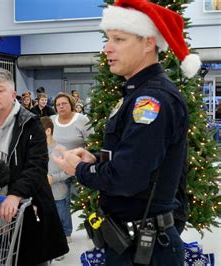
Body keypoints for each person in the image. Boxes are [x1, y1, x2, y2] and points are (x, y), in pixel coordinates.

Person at [52, 0, 200, 265]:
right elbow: (141, 158)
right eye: (108, 39)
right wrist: (97, 159)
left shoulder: (152, 100)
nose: (107, 48)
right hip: (131, 242)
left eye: (119, 39)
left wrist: (80, 171)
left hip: (146, 249)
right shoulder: (136, 94)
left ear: (148, 43)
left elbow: (128, 178)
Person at [0, 68, 68, 265]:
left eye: (0, 90)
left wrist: (15, 194)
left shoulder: (30, 124)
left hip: (26, 212)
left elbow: (36, 166)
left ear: (13, 95)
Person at [50, 93, 94, 242]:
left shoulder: (82, 120)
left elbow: (92, 142)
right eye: (58, 105)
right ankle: (66, 232)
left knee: (87, 201)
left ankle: (93, 230)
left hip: (79, 168)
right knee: (62, 202)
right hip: (58, 170)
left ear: (71, 104)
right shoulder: (52, 120)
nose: (61, 107)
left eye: (64, 104)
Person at [40, 116, 71, 261]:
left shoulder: (60, 149)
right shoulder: (36, 149)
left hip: (58, 193)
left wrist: (54, 178)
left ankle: (60, 248)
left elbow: (68, 171)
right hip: (41, 194)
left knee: (58, 220)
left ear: (47, 131)